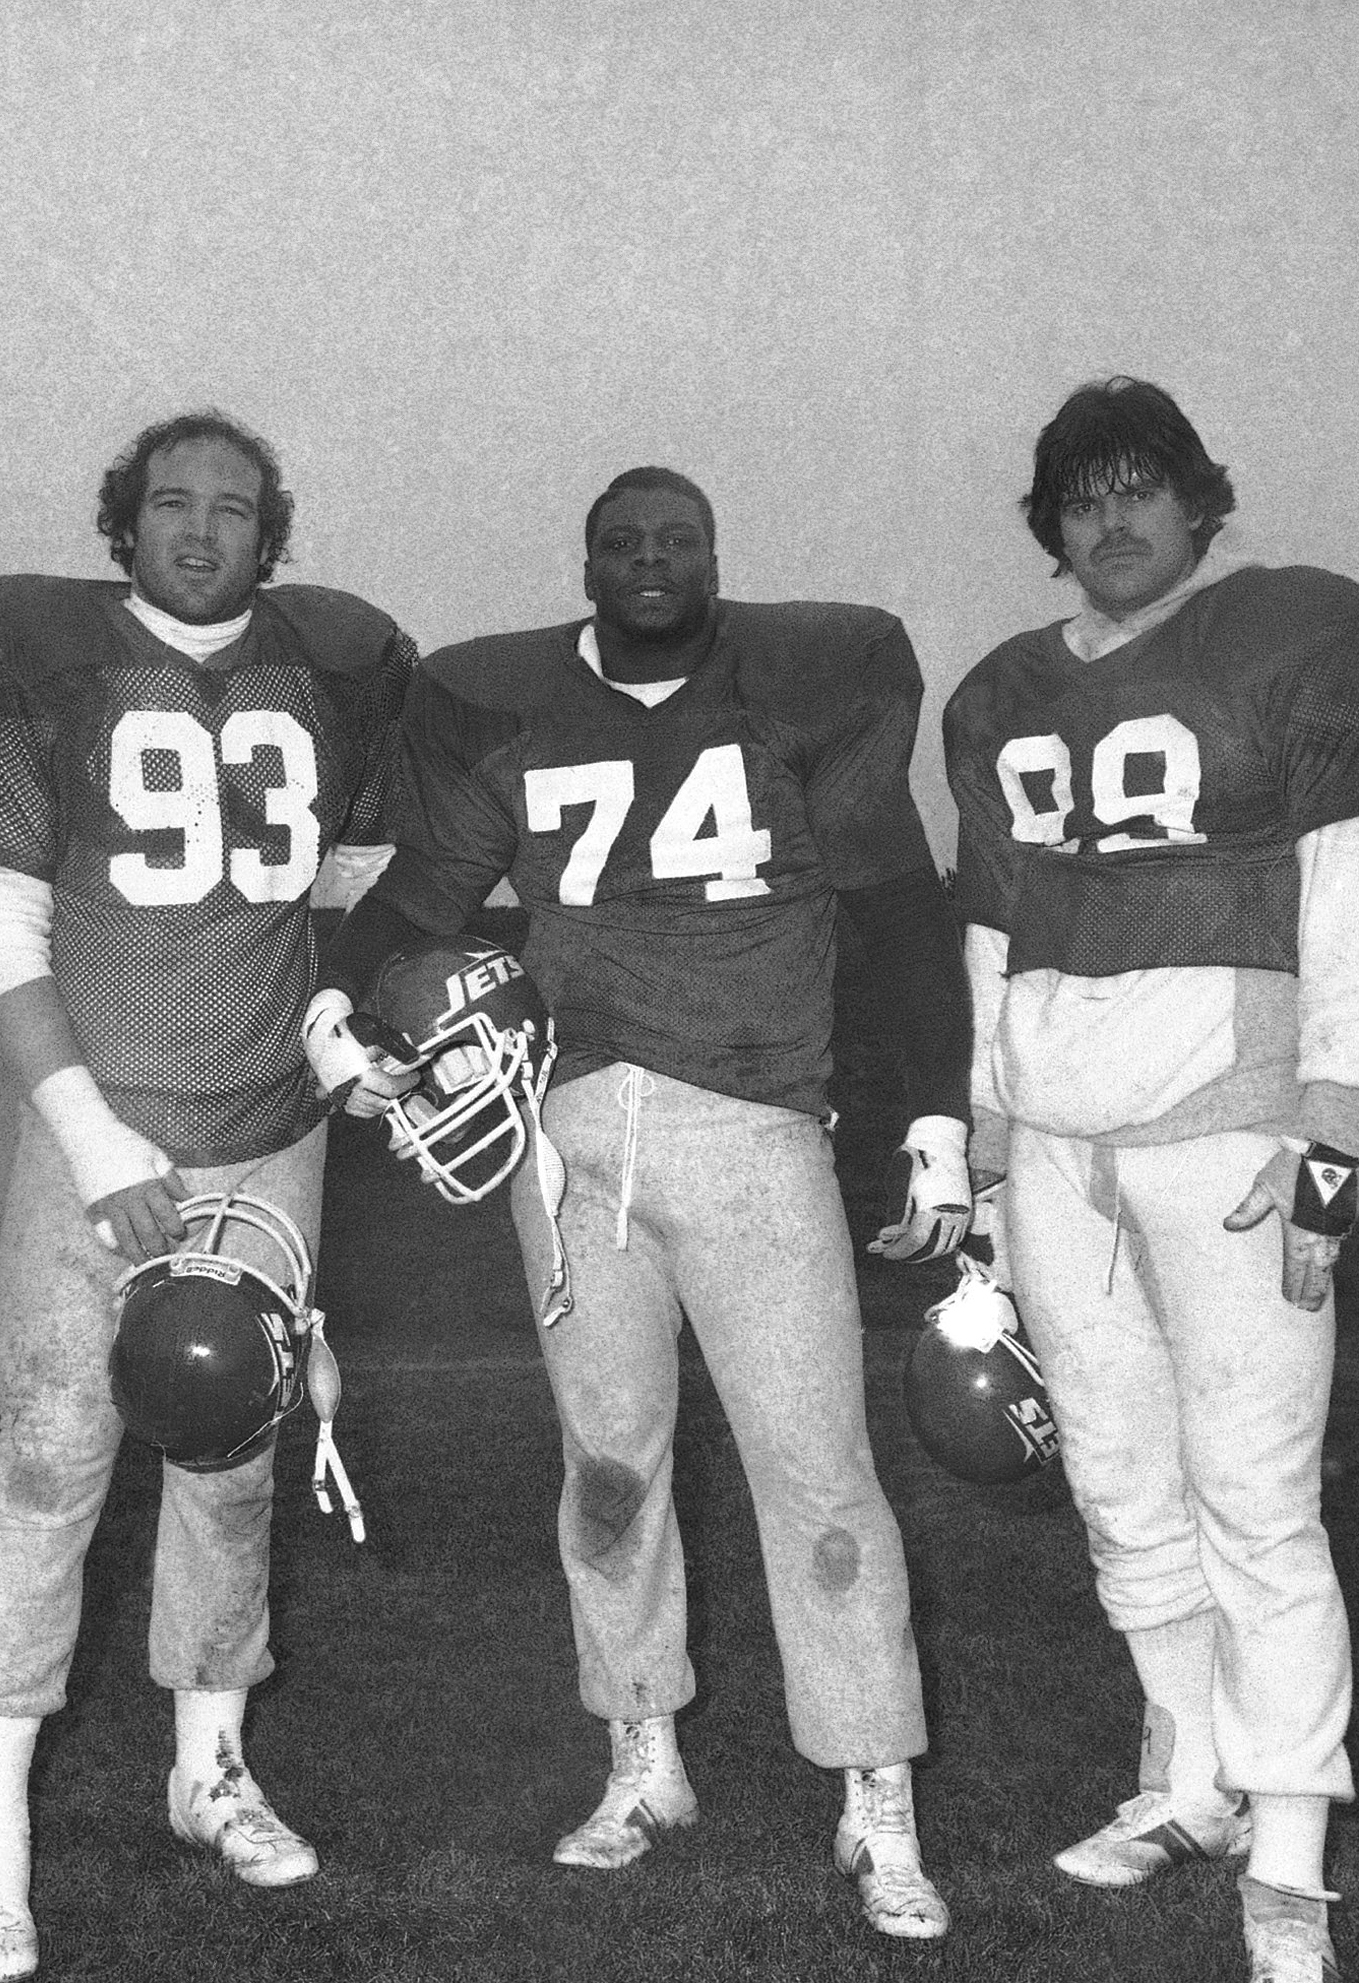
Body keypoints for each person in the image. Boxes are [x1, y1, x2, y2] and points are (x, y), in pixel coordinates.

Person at [309, 467, 975, 1942]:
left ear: (716, 556)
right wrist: (337, 1001)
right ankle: (640, 1751)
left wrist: (935, 1110)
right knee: (606, 1466)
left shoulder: (804, 689)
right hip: (565, 1132)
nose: (651, 562)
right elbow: (422, 894)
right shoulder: (508, 707)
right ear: (587, 561)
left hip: (750, 1127)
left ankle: (876, 1794)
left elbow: (895, 911)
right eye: (624, 543)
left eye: (677, 540)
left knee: (816, 1470)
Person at [939, 376, 1359, 1983]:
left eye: (1141, 485)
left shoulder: (1299, 634)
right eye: (1081, 495)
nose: (1111, 517)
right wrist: (988, 1132)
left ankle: (1288, 1850)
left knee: (1255, 1501)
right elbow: (992, 934)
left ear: (1203, 501)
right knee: (1118, 1482)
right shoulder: (1001, 689)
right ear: (1049, 527)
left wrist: (1338, 1121)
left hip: (1230, 1126)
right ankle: (1192, 1777)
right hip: (1062, 1140)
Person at [0, 411, 412, 1983]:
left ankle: (209, 1769)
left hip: (268, 1132)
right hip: (100, 1136)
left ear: (274, 534)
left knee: (232, 1463)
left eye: (234, 509)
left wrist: (344, 1017)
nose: (201, 532)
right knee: (51, 1465)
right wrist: (90, 1137)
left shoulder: (327, 669)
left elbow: (351, 893)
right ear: (120, 524)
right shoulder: (32, 661)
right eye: (171, 505)